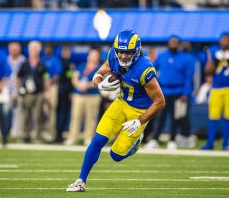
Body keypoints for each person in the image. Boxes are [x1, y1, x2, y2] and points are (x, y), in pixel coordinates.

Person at [66, 30, 165, 192]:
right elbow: (101, 70)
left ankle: (136, 142)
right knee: (97, 140)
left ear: (137, 51)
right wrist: (98, 82)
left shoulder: (145, 69)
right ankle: (80, 181)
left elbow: (160, 101)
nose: (123, 56)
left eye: (128, 52)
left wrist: (140, 120)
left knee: (116, 155)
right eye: (120, 51)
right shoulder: (113, 55)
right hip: (121, 102)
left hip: (138, 112)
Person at [145, 36, 195, 150]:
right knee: (159, 116)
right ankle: (155, 139)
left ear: (179, 44)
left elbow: (188, 78)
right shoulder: (162, 56)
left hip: (178, 92)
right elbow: (151, 71)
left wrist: (185, 94)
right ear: (168, 43)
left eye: (175, 42)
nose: (173, 44)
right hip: (163, 91)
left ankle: (172, 140)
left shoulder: (186, 59)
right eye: (171, 42)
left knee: (176, 117)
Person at [201, 32, 229, 150]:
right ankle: (210, 143)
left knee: (228, 116)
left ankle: (225, 144)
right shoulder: (214, 51)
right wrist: (215, 60)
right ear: (220, 41)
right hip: (216, 88)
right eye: (223, 40)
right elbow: (207, 70)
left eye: (227, 40)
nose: (225, 42)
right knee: (213, 116)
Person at [64, 46, 102, 146]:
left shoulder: (100, 68)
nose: (92, 57)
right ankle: (72, 137)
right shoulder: (81, 65)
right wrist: (79, 85)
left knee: (91, 118)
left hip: (92, 95)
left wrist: (87, 85)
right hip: (79, 94)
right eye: (91, 54)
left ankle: (88, 138)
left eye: (95, 55)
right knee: (75, 116)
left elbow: (101, 81)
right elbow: (74, 77)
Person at [17, 41, 48, 143]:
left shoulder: (42, 64)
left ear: (38, 51)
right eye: (32, 49)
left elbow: (46, 78)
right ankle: (26, 135)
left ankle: (38, 136)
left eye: (35, 49)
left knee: (38, 115)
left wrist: (46, 92)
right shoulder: (24, 64)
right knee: (26, 115)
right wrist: (18, 90)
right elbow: (18, 77)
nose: (34, 51)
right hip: (26, 93)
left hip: (38, 93)